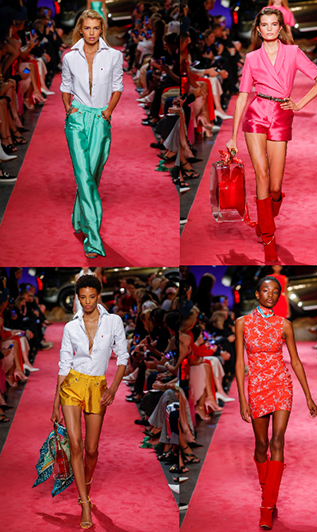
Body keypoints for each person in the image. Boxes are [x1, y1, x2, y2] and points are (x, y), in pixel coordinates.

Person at [226, 8, 317, 262]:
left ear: (280, 28)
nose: (270, 28)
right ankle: (268, 238)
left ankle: (266, 219)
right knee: (261, 174)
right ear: (258, 29)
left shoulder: (293, 52)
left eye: (274, 24)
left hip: (281, 114)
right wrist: (232, 136)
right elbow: (242, 97)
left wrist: (299, 104)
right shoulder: (252, 58)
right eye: (265, 25)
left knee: (275, 187)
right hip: (257, 113)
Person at [235, 275, 317, 530]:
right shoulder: (242, 323)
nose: (270, 295)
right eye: (265, 290)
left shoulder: (284, 324)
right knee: (261, 444)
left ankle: (266, 507)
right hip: (257, 386)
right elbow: (239, 362)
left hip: (281, 384)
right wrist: (242, 399)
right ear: (257, 294)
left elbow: (295, 361)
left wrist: (308, 395)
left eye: (275, 291)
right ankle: (267, 492)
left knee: (277, 440)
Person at [51, 275, 129, 529]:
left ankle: (86, 484)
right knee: (75, 445)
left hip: (98, 387)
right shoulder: (70, 327)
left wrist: (113, 389)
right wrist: (55, 403)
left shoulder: (114, 321)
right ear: (77, 297)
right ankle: (84, 502)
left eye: (92, 297)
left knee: (92, 450)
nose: (87, 302)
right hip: (72, 387)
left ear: (99, 295)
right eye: (82, 297)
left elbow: (123, 357)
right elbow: (64, 364)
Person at [60, 9, 123, 259]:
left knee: (92, 174)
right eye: (87, 28)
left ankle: (79, 217)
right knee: (83, 175)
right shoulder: (69, 57)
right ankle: (93, 238)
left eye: (96, 28)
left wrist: (108, 112)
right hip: (76, 119)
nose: (92, 33)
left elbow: (118, 87)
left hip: (100, 118)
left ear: (101, 29)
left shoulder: (114, 56)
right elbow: (66, 86)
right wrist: (68, 108)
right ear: (80, 29)